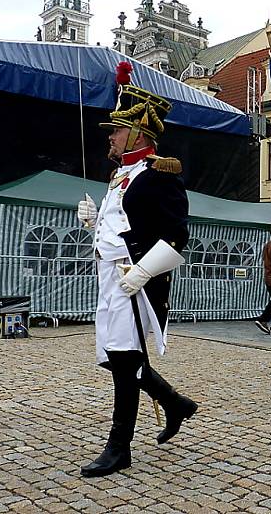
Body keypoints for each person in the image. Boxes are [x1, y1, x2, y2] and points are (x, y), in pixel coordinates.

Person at [77, 62, 197, 477]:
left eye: (116, 129)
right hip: (111, 277)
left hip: (136, 279)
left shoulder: (159, 175)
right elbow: (124, 227)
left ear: (138, 133)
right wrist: (93, 222)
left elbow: (178, 235)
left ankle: (119, 447)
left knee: (124, 361)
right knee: (116, 358)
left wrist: (143, 273)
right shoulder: (118, 177)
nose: (110, 136)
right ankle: (175, 404)